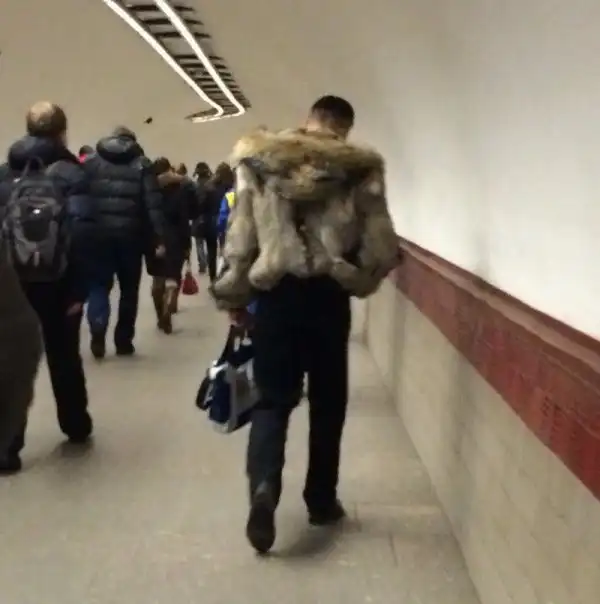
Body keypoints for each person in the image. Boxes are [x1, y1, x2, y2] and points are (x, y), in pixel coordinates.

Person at [211, 95, 399, 553]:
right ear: (344, 128)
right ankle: (320, 500)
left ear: (308, 120)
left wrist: (236, 293)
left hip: (276, 296)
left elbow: (241, 235)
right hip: (328, 298)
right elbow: (380, 246)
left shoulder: (260, 162)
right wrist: (359, 276)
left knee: (272, 400)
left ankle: (264, 488)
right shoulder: (359, 169)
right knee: (328, 402)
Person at [0, 101, 97, 472]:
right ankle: (75, 424)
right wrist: (78, 290)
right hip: (58, 281)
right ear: (62, 133)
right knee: (64, 355)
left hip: (11, 284)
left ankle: (8, 446)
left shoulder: (5, 175)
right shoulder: (72, 175)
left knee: (12, 361)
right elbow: (83, 235)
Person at [83, 126, 165, 359]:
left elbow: (83, 199)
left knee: (99, 285)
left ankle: (98, 329)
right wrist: (159, 237)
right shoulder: (142, 164)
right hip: (131, 237)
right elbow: (152, 205)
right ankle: (123, 341)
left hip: (99, 237)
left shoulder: (91, 163)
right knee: (129, 290)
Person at [151, 158, 193, 333]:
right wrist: (187, 244)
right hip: (175, 239)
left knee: (157, 279)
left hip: (155, 239)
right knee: (173, 277)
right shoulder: (180, 189)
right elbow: (184, 219)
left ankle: (161, 315)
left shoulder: (151, 190)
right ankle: (170, 301)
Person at [200, 162, 234, 282]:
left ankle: (212, 278)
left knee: (211, 252)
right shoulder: (231, 187)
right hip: (226, 222)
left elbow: (202, 206)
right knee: (226, 251)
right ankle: (224, 277)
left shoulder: (208, 187)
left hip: (210, 222)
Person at [191, 161, 212, 273]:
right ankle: (209, 260)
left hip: (197, 217)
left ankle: (202, 264)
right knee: (210, 242)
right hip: (210, 217)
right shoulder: (212, 184)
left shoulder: (195, 186)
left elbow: (192, 202)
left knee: (199, 243)